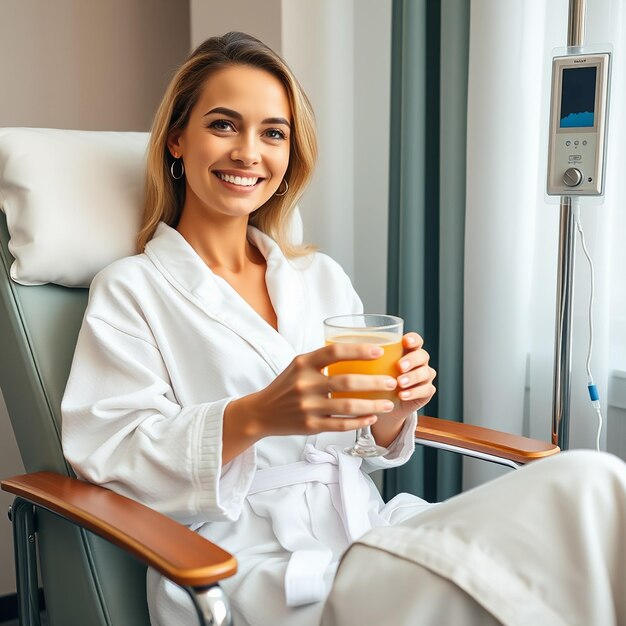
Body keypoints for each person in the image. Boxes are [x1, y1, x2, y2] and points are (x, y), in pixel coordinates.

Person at [62, 32, 626, 626]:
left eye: (272, 133)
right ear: (178, 139)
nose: (249, 152)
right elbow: (109, 455)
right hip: (259, 568)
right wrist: (255, 415)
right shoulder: (132, 289)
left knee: (596, 481)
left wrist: (394, 408)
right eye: (224, 125)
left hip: (369, 532)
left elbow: (362, 445)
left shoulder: (317, 277)